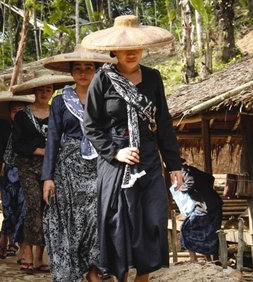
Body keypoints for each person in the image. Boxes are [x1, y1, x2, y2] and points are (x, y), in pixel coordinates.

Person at [82, 15, 183, 282]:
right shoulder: (102, 79)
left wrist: (174, 165)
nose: (132, 53)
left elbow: (163, 123)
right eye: (126, 48)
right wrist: (116, 152)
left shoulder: (153, 78)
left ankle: (143, 279)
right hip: (115, 163)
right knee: (119, 225)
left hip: (149, 161)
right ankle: (120, 277)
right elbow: (91, 125)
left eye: (136, 47)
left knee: (153, 221)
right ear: (114, 50)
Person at [41, 45, 116, 281]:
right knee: (70, 223)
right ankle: (73, 272)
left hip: (98, 167)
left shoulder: (106, 97)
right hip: (67, 172)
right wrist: (47, 178)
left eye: (88, 68)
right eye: (78, 69)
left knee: (97, 218)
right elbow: (52, 139)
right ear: (71, 72)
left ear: (96, 70)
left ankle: (93, 270)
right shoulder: (60, 102)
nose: (83, 73)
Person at [11, 74, 74, 274]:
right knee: (33, 206)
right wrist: (44, 151)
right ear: (34, 92)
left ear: (52, 91)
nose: (44, 93)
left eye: (48, 89)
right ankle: (27, 250)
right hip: (29, 166)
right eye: (40, 90)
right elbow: (18, 145)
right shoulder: (23, 115)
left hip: (54, 167)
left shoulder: (58, 112)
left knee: (49, 209)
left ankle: (40, 257)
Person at [0, 91, 34, 261]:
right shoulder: (0, 124)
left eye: (21, 110)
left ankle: (19, 246)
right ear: (8, 112)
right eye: (14, 110)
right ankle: (5, 234)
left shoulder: (31, 125)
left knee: (24, 209)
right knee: (9, 210)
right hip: (6, 174)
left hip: (27, 173)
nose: (18, 114)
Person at [179, 160, 223, 262]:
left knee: (185, 228)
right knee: (209, 233)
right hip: (213, 204)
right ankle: (207, 259)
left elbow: (190, 182)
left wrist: (181, 188)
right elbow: (210, 178)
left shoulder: (185, 171)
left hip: (206, 207)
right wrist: (203, 190)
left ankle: (193, 258)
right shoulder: (192, 170)